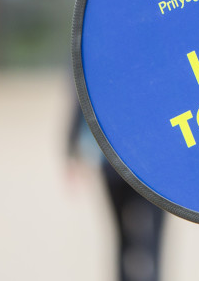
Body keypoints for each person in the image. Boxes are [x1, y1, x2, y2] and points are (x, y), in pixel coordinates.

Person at [68, 101, 167, 281]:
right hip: (139, 163)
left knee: (140, 236)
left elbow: (80, 98)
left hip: (128, 161)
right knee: (143, 236)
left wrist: (71, 150)